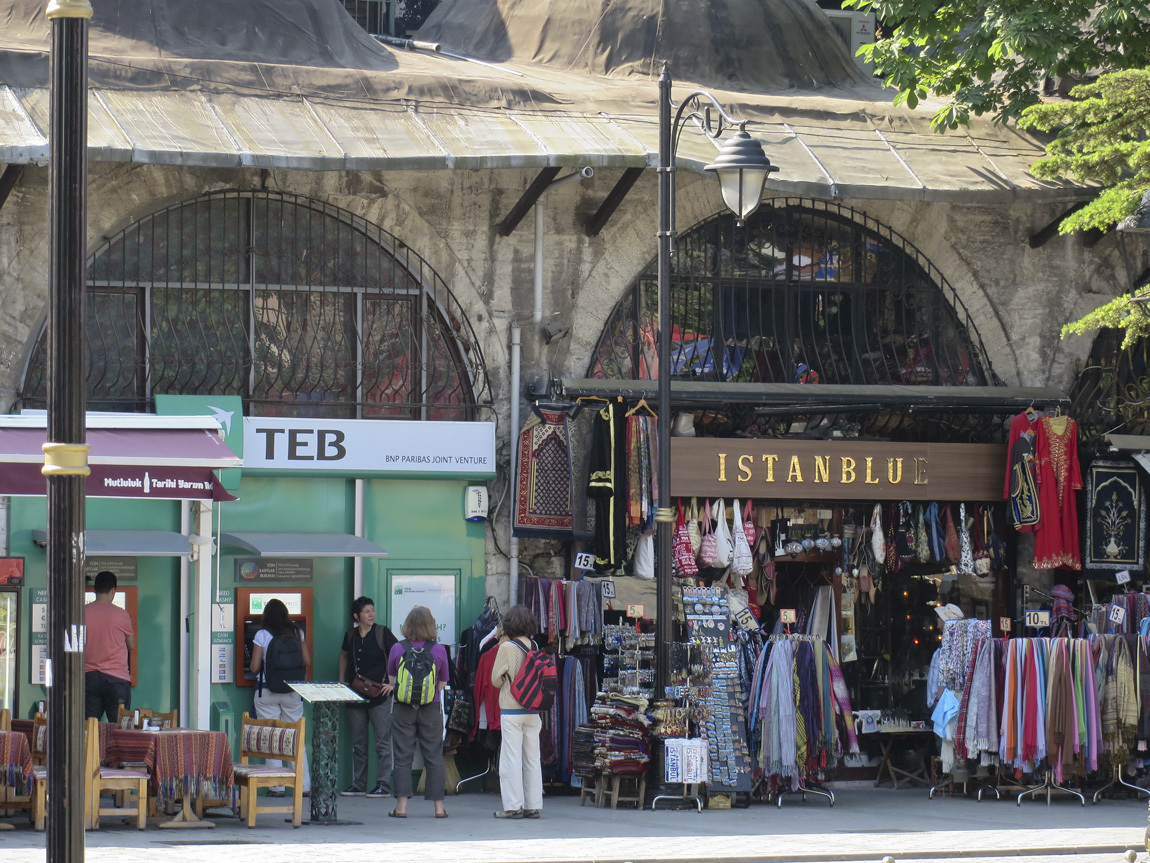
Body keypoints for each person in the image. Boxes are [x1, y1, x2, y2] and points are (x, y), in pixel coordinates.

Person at [386, 605, 449, 818]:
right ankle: (439, 808)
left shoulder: (397, 648)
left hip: (402, 708)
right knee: (434, 756)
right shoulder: (439, 650)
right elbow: (443, 681)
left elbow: (392, 680)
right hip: (431, 708)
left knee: (403, 756)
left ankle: (401, 807)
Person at [249, 597, 311, 795]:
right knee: (295, 738)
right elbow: (306, 661)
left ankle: (277, 786)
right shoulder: (296, 632)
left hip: (267, 690)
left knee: (271, 737)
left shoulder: (262, 634)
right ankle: (303, 785)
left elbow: (255, 667)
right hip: (293, 692)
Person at [338, 596, 398, 797]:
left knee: (382, 740)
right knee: (359, 742)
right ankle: (359, 784)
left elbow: (398, 656)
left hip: (379, 695)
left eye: (372, 610)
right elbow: (344, 655)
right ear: (356, 616)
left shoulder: (382, 632)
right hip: (355, 694)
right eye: (366, 611)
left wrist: (392, 683)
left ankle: (383, 784)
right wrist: (341, 679)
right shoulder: (350, 635)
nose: (371, 614)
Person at [491, 604, 544, 819]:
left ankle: (513, 805)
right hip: (533, 709)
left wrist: (506, 678)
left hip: (512, 709)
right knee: (532, 757)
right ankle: (533, 804)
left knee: (511, 758)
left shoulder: (506, 648)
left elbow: (495, 680)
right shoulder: (535, 645)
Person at [84, 570, 135, 722]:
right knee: (119, 725)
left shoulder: (82, 612)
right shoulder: (122, 614)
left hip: (89, 677)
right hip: (116, 678)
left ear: (94, 589)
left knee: (88, 727)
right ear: (113, 590)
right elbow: (131, 645)